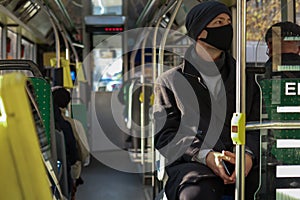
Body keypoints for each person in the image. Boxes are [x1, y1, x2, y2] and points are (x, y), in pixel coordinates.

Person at [153, 1, 260, 200]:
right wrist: (206, 155)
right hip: (193, 165)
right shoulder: (170, 81)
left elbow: (257, 122)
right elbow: (165, 135)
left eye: (228, 21)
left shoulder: (244, 78)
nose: (226, 28)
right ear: (200, 32)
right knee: (196, 194)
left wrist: (248, 155)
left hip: (241, 162)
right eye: (219, 22)